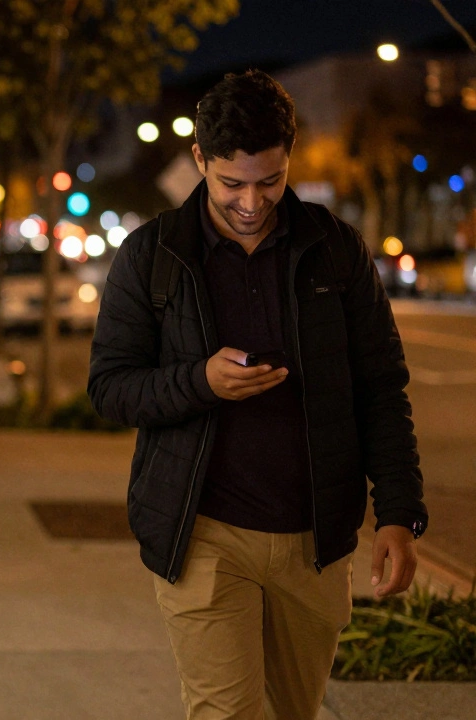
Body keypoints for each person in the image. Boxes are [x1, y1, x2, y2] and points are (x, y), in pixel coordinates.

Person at [89, 70, 428, 720]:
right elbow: (111, 387)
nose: (251, 201)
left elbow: (381, 387)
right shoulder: (153, 255)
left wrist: (398, 514)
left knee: (292, 712)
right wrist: (202, 381)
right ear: (199, 161)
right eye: (231, 183)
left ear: (289, 158)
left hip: (315, 537)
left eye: (269, 181)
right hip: (206, 534)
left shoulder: (334, 250)